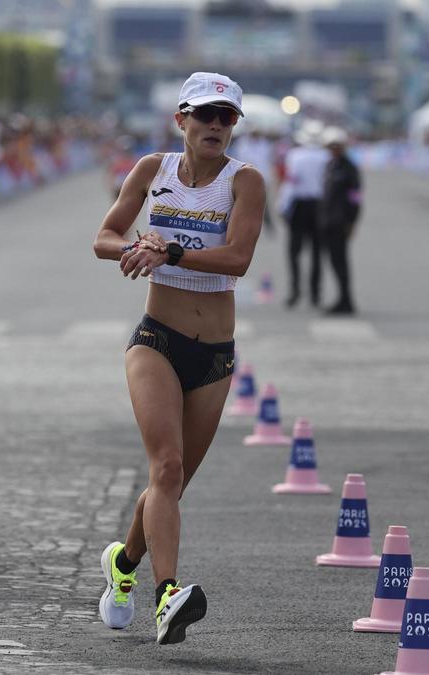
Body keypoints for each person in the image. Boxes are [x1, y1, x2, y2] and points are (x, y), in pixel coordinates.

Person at [92, 72, 264, 644]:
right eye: (206, 115)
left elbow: (238, 258)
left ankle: (122, 566)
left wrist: (173, 248)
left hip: (214, 354)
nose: (216, 125)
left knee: (174, 482)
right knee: (164, 466)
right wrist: (135, 247)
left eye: (227, 117)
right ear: (181, 120)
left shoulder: (246, 182)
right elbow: (106, 236)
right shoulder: (152, 170)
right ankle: (168, 593)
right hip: (156, 341)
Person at [280, 122, 329, 308]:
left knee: (294, 251)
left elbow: (290, 184)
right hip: (319, 206)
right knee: (317, 252)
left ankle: (295, 291)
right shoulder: (325, 157)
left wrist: (283, 207)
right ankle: (315, 294)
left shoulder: (295, 155)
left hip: (299, 205)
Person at [318, 127, 361, 316]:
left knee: (341, 262)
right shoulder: (330, 165)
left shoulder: (349, 168)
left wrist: (351, 222)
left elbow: (355, 198)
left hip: (341, 221)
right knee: (334, 262)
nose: (333, 150)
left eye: (336, 146)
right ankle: (342, 298)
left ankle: (346, 300)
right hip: (328, 221)